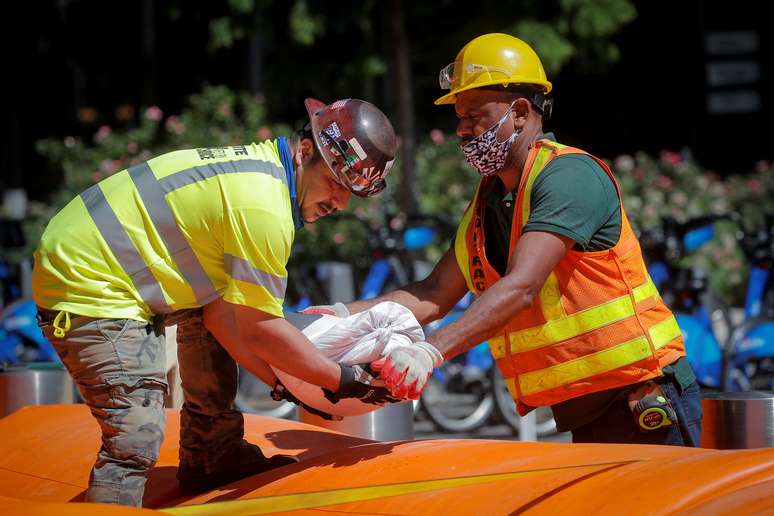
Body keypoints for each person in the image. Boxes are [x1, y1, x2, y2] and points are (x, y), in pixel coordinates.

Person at [32, 97, 399, 506]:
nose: (340, 203)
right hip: (86, 282)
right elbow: (262, 331)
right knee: (135, 436)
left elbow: (225, 320)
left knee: (212, 309)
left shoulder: (261, 174)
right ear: (306, 150)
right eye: (335, 181)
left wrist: (287, 384)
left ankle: (212, 455)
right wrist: (341, 381)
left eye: (350, 191)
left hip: (94, 258)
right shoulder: (263, 207)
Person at [344, 33, 702, 446]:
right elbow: (433, 291)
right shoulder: (488, 202)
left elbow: (522, 286)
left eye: (474, 115)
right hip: (586, 410)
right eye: (458, 116)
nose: (462, 129)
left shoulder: (569, 176)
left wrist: (430, 350)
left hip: (643, 399)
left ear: (518, 111)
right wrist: (340, 316)